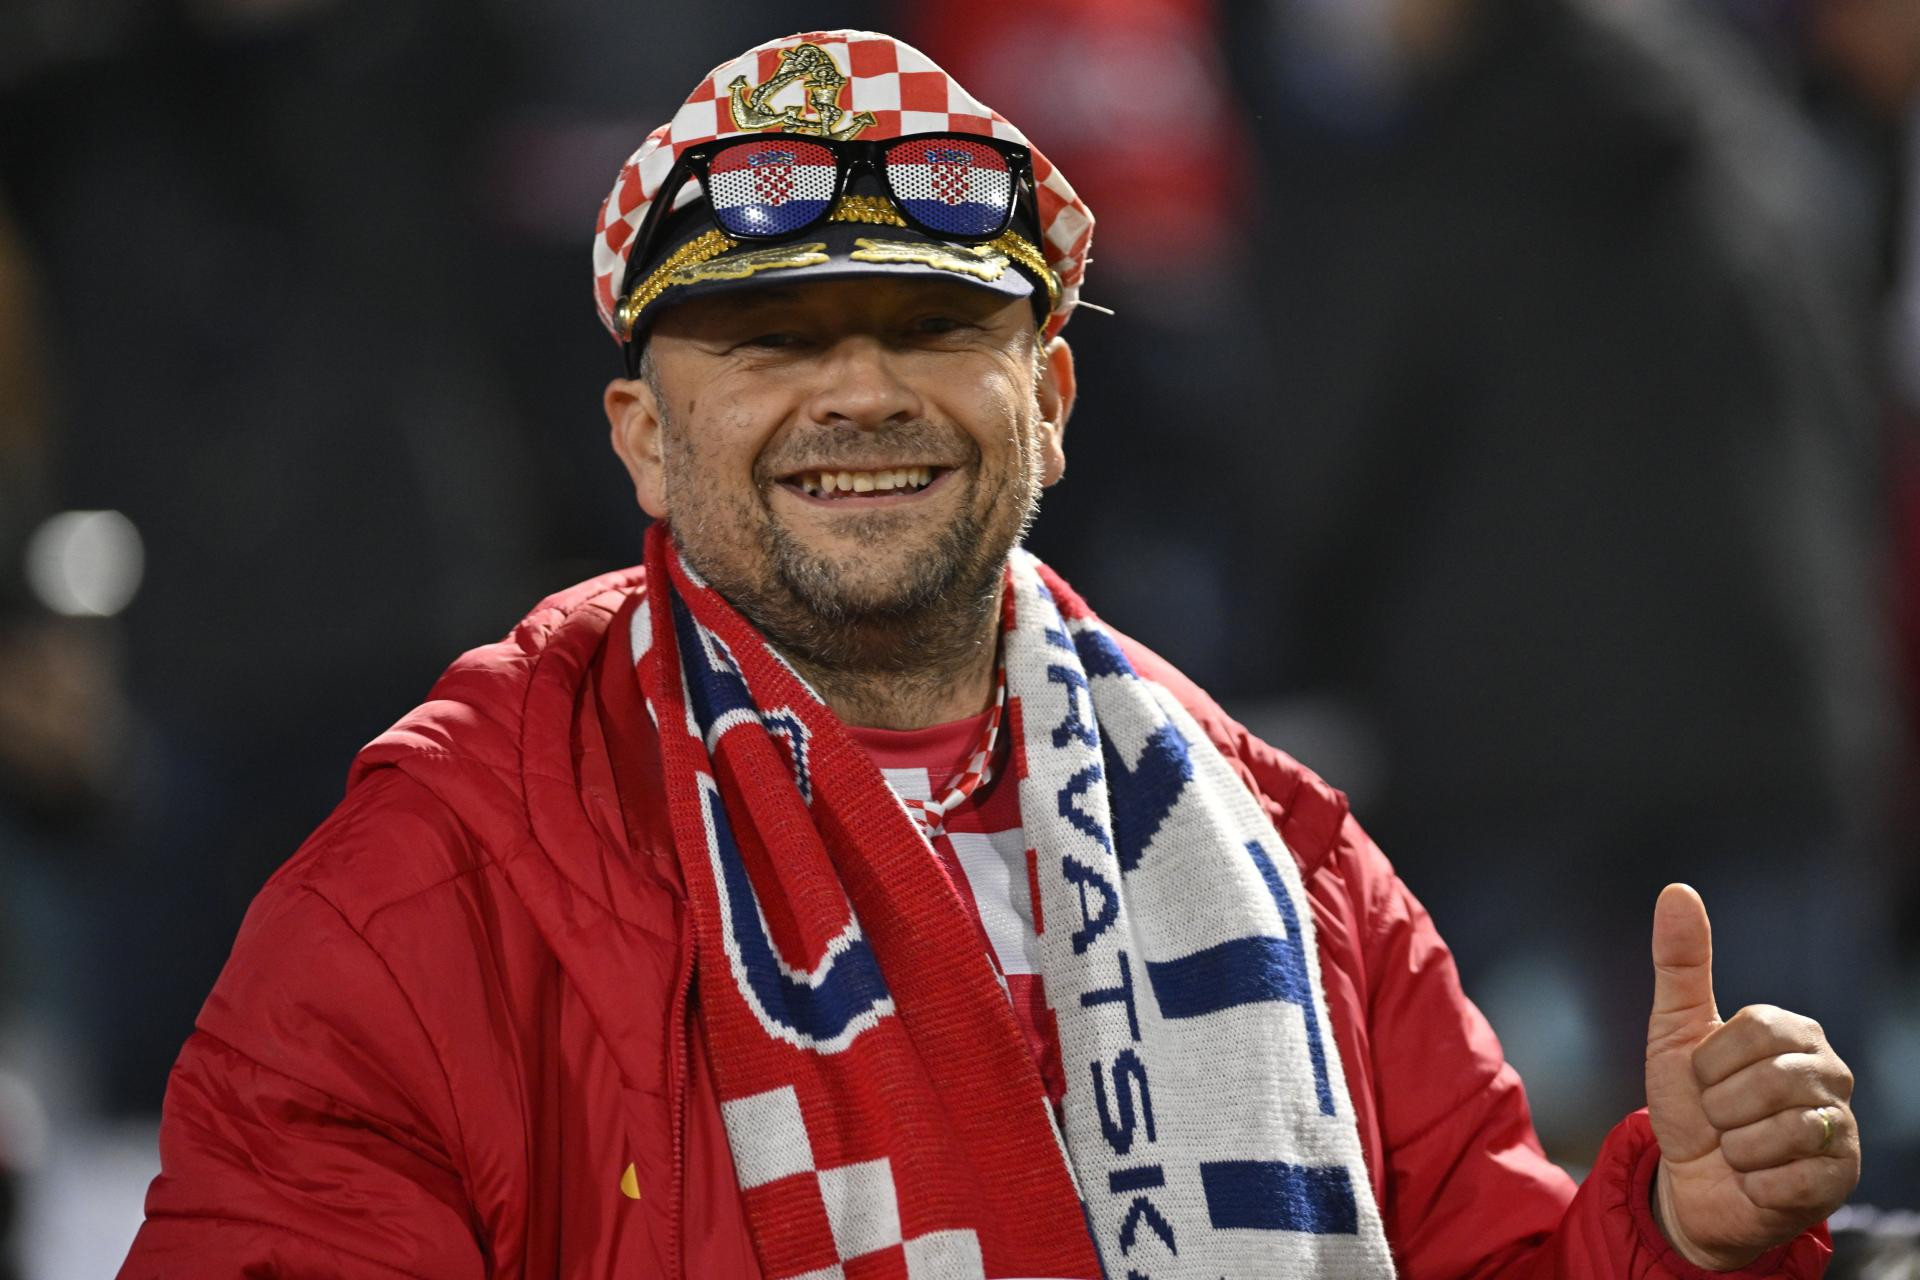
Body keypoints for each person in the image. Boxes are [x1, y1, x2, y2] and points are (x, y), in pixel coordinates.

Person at [117, 30, 1859, 1279]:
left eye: (933, 324)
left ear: (1052, 399)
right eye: (772, 337)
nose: (861, 390)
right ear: (644, 438)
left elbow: (1487, 1251)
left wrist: (1676, 1234)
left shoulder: (1285, 850)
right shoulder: (444, 874)